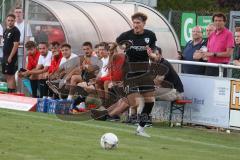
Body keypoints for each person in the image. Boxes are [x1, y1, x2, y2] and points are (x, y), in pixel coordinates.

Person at [116, 12, 157, 137]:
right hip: (130, 71)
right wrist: (121, 47)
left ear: (144, 23)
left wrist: (152, 56)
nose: (135, 25)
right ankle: (114, 114)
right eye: (134, 22)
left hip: (144, 71)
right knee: (134, 102)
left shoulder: (150, 35)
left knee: (150, 101)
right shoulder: (126, 35)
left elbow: (154, 52)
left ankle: (140, 128)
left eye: (138, 23)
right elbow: (118, 43)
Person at [203, 12, 234, 76]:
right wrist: (202, 53)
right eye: (216, 20)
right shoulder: (212, 34)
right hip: (209, 66)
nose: (217, 22)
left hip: (221, 67)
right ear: (213, 22)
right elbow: (208, 52)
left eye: (220, 20)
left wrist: (213, 54)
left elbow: (229, 53)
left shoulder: (229, 34)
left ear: (224, 22)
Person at [2, 14, 20, 93]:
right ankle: (10, 92)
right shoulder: (6, 30)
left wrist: (10, 56)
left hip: (10, 56)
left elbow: (16, 45)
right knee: (7, 75)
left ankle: (12, 93)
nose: (10, 22)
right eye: (8, 20)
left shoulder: (15, 31)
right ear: (6, 21)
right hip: (5, 56)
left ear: (14, 21)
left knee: (11, 75)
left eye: (12, 21)